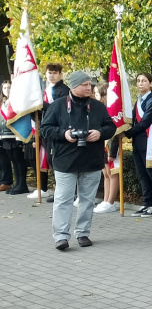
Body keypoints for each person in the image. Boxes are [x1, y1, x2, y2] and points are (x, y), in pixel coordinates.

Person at [39, 71, 116, 250]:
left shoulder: (97, 106)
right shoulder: (58, 106)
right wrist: (64, 134)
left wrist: (100, 133)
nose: (89, 88)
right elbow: (45, 129)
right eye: (85, 85)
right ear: (73, 86)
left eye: (90, 84)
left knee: (87, 200)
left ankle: (83, 233)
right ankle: (61, 237)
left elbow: (111, 127)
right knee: (63, 199)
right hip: (65, 162)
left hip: (92, 160)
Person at [128, 72, 152, 217]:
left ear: (150, 84)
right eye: (138, 81)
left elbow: (144, 123)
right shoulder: (139, 100)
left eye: (144, 80)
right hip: (138, 141)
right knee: (142, 174)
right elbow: (133, 120)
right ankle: (146, 203)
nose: (140, 83)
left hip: (148, 141)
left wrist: (128, 133)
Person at [39, 62, 69, 200]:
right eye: (50, 72)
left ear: (60, 74)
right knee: (51, 161)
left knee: (56, 160)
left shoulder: (63, 90)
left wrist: (40, 104)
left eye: (55, 73)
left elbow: (56, 108)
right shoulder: (46, 89)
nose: (52, 75)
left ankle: (62, 192)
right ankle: (59, 190)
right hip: (47, 129)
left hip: (58, 129)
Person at [93, 83, 120, 213]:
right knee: (106, 173)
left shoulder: (111, 110)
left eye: (97, 93)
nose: (94, 95)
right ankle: (105, 200)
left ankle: (111, 201)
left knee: (112, 173)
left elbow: (114, 132)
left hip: (111, 146)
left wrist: (113, 151)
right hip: (102, 145)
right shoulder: (100, 109)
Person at [0, 79, 29, 195]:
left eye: (9, 88)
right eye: (5, 88)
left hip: (14, 134)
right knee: (13, 160)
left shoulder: (16, 101)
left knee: (19, 159)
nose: (7, 90)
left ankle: (22, 184)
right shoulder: (4, 102)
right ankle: (17, 183)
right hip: (5, 135)